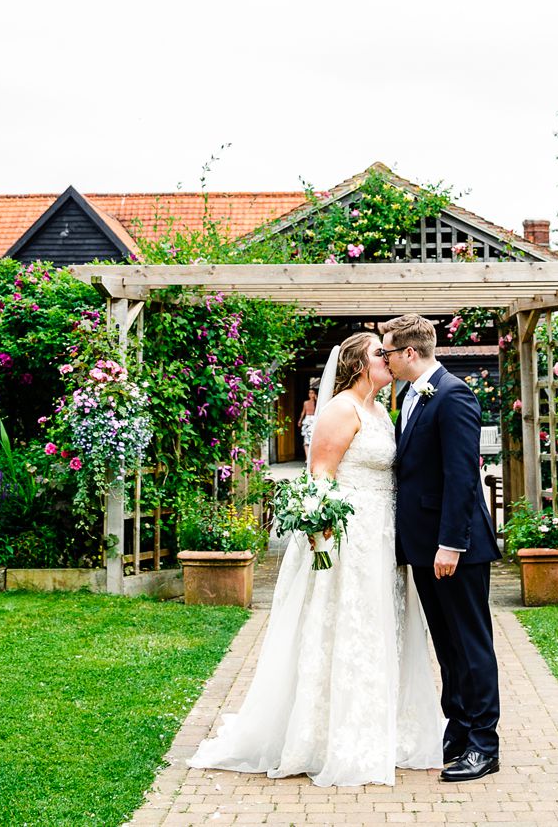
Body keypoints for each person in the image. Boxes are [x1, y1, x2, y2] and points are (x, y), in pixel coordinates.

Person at [188, 332, 443, 786]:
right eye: (378, 353)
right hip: (348, 537)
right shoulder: (340, 409)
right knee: (346, 626)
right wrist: (321, 529)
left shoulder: (381, 410)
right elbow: (320, 475)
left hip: (383, 536)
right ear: (360, 364)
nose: (387, 358)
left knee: (382, 626)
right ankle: (329, 736)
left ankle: (381, 724)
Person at [383, 312, 502, 782]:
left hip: (456, 549)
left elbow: (461, 477)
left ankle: (484, 744)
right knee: (447, 646)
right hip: (424, 547)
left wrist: (451, 544)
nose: (385, 360)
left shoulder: (453, 394)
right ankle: (457, 728)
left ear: (410, 352)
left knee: (471, 646)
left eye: (389, 352)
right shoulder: (412, 395)